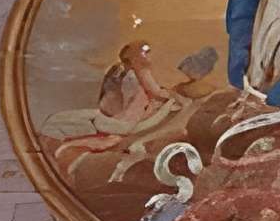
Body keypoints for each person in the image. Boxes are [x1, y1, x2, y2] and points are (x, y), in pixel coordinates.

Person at [45, 39, 188, 173]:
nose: (148, 57)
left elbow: (110, 99)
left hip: (110, 119)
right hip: (122, 123)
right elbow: (155, 92)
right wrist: (174, 97)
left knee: (60, 121)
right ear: (136, 57)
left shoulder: (117, 70)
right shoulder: (139, 71)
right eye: (145, 53)